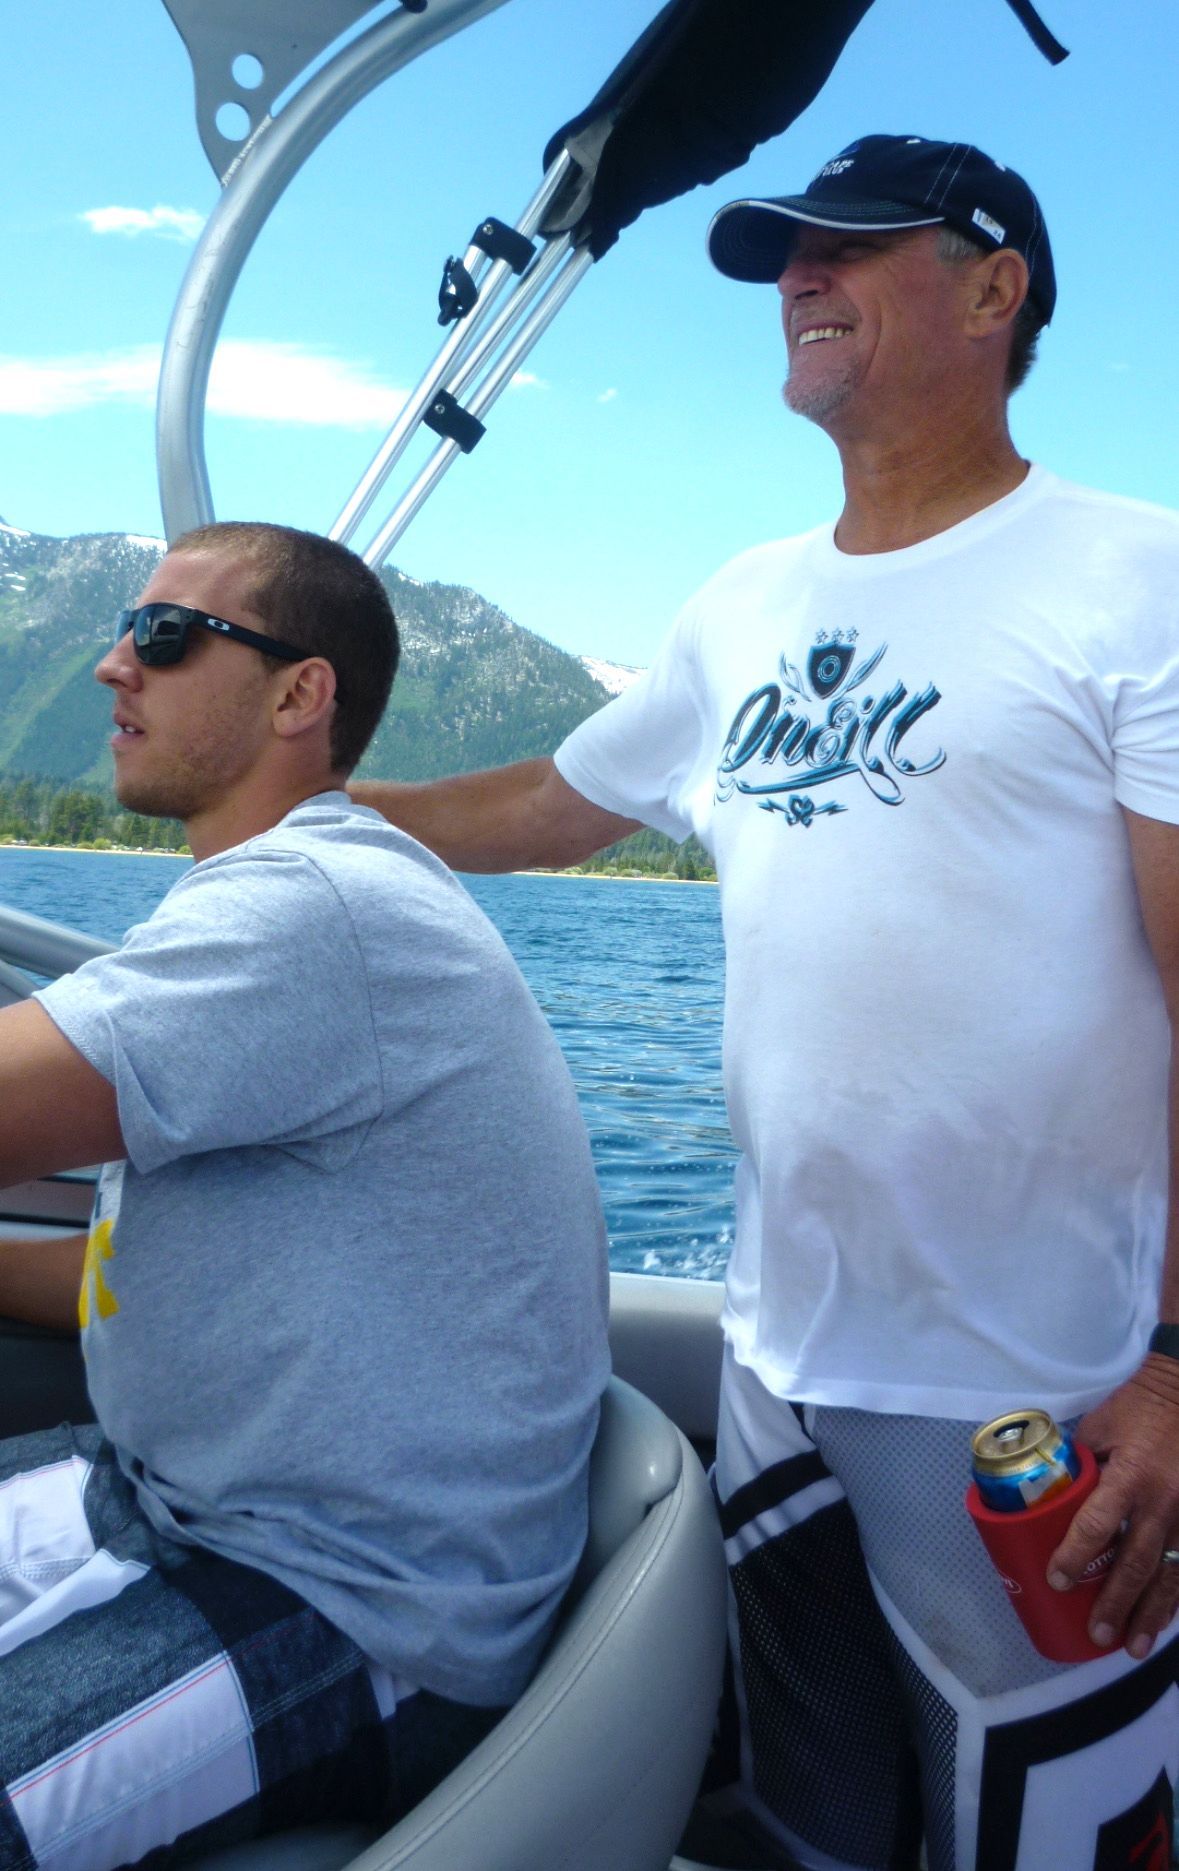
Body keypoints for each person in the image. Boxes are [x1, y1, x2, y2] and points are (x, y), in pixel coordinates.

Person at [350, 136, 1179, 1870]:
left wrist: (1177, 1367)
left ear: (995, 287)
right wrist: (313, 816)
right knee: (816, 1818)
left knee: (1042, 1826)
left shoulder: (1138, 578)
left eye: (850, 248)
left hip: (1040, 1390)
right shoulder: (744, 604)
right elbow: (556, 804)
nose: (800, 277)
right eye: (787, 253)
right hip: (781, 1368)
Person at [0, 520, 610, 1868]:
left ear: (298, 695)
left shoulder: (313, 908)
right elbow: (142, 1264)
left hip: (354, 1605)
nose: (113, 664)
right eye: (125, 629)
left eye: (166, 636)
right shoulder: (289, 898)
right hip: (171, 1498)